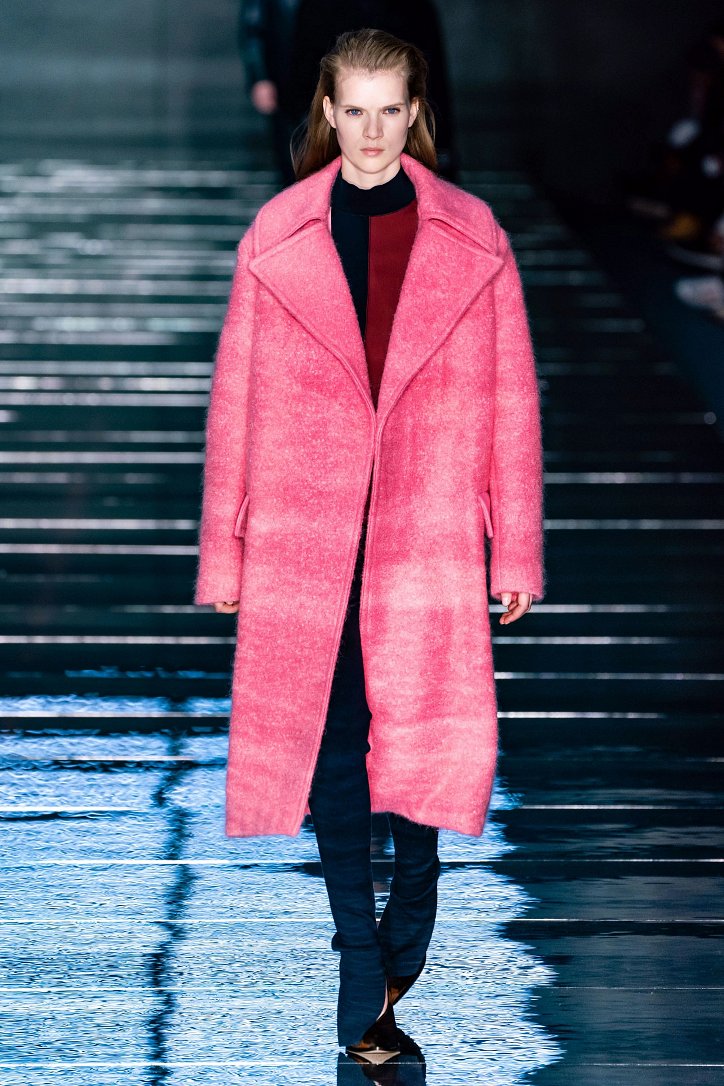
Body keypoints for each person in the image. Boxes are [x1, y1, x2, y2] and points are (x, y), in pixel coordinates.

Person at [194, 27, 544, 1064]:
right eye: (355, 110)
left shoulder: (473, 236)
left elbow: (511, 401)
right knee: (332, 742)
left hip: (425, 525)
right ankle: (359, 948)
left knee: (419, 735)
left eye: (391, 109)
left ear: (415, 112)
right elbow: (235, 403)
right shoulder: (279, 235)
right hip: (306, 530)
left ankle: (414, 907)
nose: (373, 131)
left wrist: (515, 550)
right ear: (328, 113)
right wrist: (226, 554)